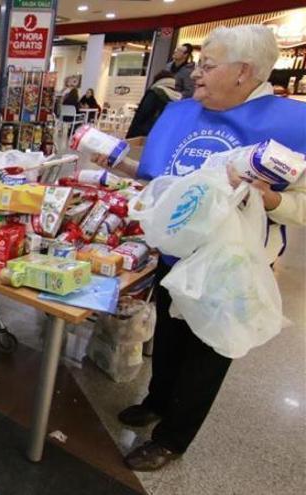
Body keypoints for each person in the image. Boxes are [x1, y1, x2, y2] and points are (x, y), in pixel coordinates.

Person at [95, 25, 305, 472]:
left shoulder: (292, 127)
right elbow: (163, 179)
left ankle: (173, 438)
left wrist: (269, 198)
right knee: (170, 336)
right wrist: (116, 162)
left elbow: (300, 205)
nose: (195, 75)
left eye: (208, 66)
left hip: (232, 265)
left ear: (244, 71)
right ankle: (156, 401)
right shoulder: (183, 115)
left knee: (207, 351)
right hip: (178, 253)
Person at [125, 70, 181, 139]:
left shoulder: (154, 93)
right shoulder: (178, 98)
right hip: (165, 136)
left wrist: (129, 136)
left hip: (145, 134)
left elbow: (141, 114)